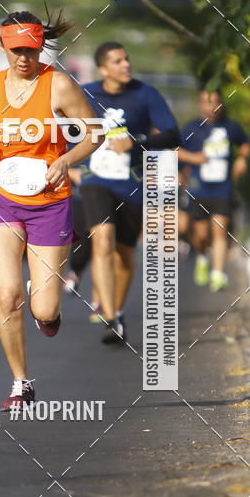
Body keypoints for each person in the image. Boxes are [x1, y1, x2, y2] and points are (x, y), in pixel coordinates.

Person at [0, 9, 103, 411]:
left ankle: (47, 309)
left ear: (41, 46)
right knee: (6, 297)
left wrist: (66, 161)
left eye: (32, 49)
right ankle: (21, 382)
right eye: (17, 49)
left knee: (45, 308)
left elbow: (95, 134)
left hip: (50, 203)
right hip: (1, 200)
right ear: (2, 46)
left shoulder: (58, 85)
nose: (25, 57)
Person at [79, 42, 180, 345]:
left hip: (134, 183)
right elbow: (64, 128)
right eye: (117, 61)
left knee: (124, 255)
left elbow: (173, 134)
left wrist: (137, 141)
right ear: (103, 69)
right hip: (95, 178)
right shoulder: (85, 93)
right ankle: (109, 316)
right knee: (102, 239)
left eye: (126, 59)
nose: (125, 65)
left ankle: (118, 311)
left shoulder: (145, 94)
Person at [178, 88, 250, 291]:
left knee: (220, 231)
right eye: (208, 102)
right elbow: (176, 151)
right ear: (201, 104)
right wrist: (193, 160)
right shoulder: (191, 127)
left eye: (216, 102)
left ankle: (217, 274)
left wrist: (242, 159)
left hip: (223, 189)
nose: (213, 106)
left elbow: (245, 143)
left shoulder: (231, 126)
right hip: (199, 189)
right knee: (201, 235)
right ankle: (202, 256)